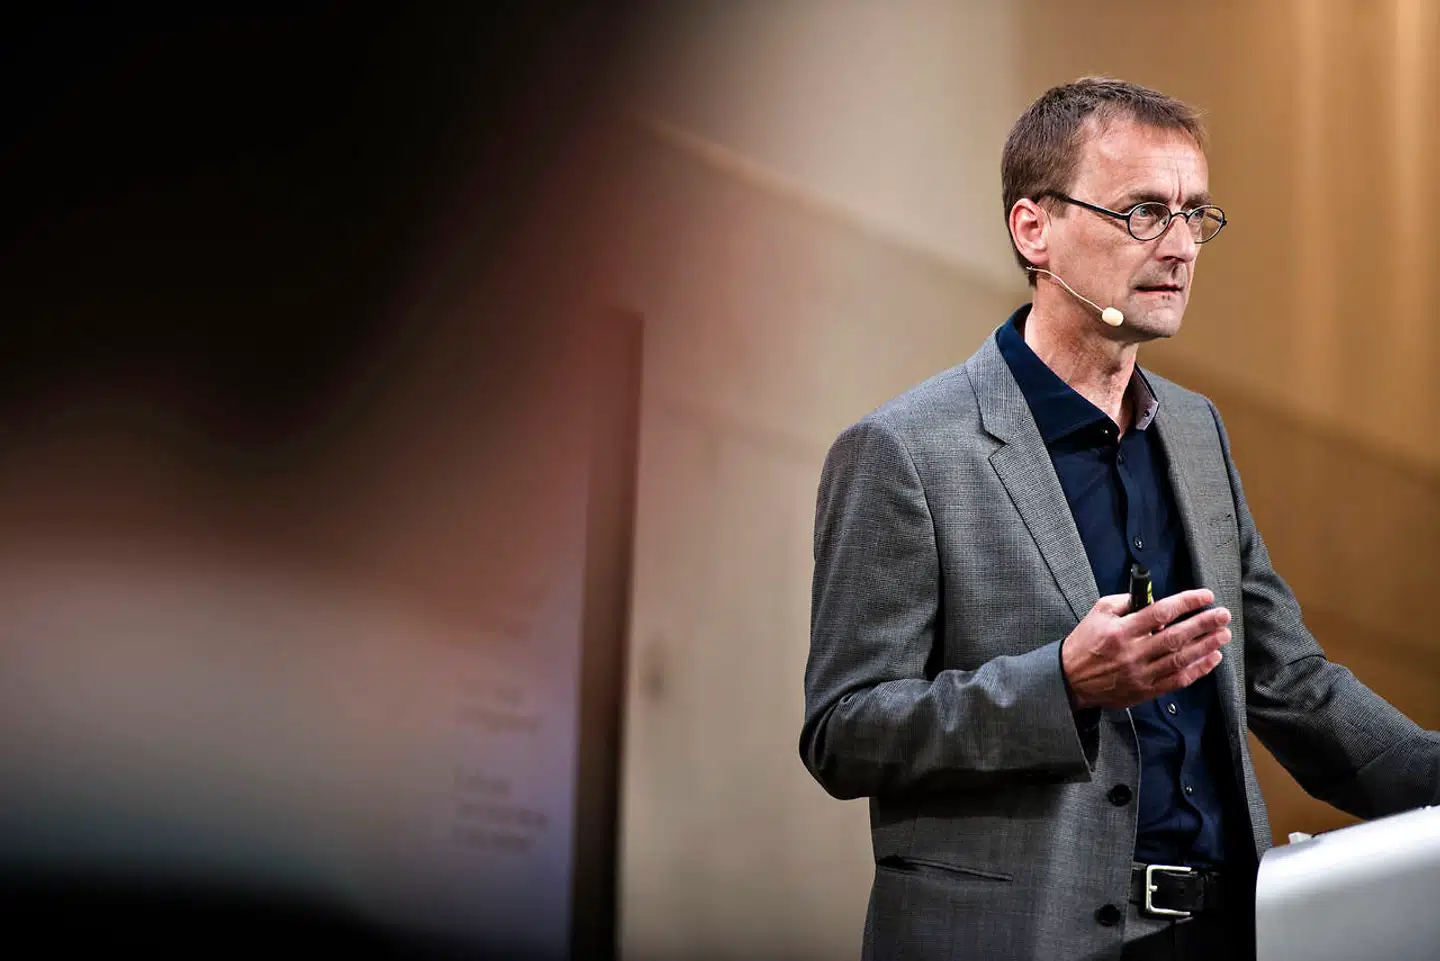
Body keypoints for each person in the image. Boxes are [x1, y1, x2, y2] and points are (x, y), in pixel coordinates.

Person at [799, 77, 1440, 961]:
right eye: (1144, 212)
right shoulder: (905, 450)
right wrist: (1061, 683)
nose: (1179, 246)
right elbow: (845, 729)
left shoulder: (1194, 431)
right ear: (1035, 229)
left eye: (1195, 215)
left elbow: (1291, 684)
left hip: (1224, 931)